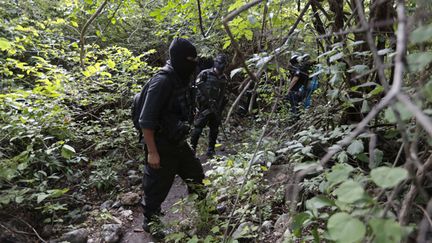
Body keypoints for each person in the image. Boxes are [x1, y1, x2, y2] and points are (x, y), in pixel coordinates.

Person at [137, 37, 205, 238]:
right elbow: (146, 120)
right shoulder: (162, 81)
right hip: (160, 145)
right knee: (156, 188)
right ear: (179, 59)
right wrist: (152, 152)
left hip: (178, 142)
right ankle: (152, 224)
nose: (193, 63)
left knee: (196, 174)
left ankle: (204, 210)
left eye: (195, 59)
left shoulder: (182, 76)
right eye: (189, 59)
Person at [190, 54, 228, 157]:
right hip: (204, 106)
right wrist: (201, 101)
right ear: (216, 63)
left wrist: (219, 108)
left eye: (224, 64)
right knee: (198, 128)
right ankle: (192, 150)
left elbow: (222, 94)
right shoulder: (205, 74)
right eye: (220, 63)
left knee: (214, 129)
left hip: (215, 107)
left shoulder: (224, 78)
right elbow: (197, 87)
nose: (222, 66)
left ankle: (211, 150)